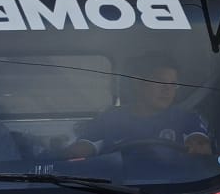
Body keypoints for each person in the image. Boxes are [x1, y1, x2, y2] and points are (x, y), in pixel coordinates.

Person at [67, 63, 211, 157]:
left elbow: (200, 144)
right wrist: (68, 154)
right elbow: (84, 147)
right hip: (114, 190)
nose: (167, 90)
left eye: (173, 84)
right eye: (160, 82)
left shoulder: (186, 118)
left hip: (176, 188)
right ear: (138, 83)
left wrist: (199, 147)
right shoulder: (109, 118)